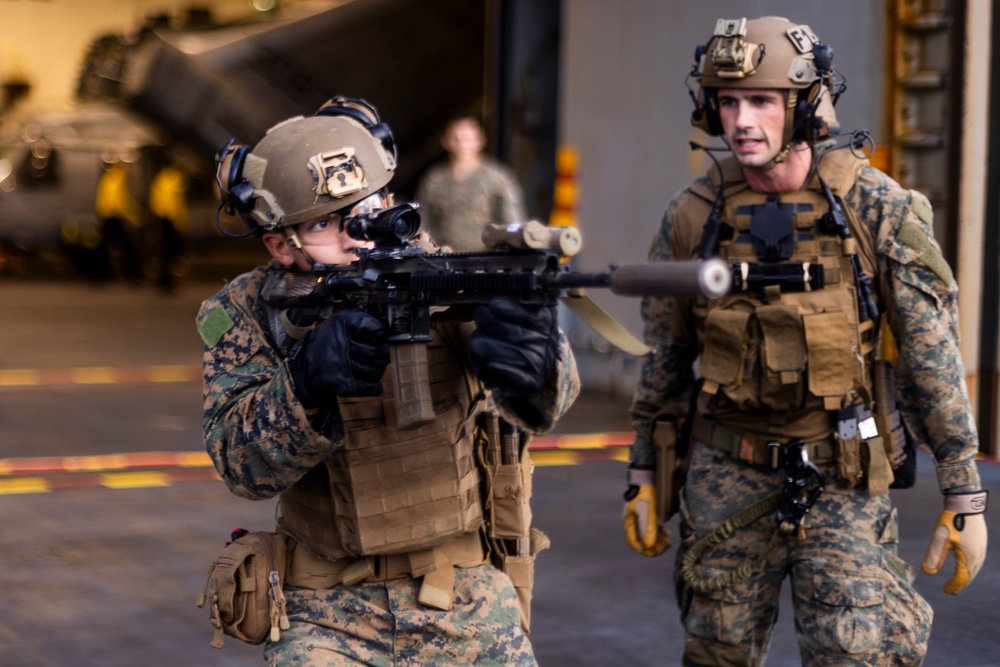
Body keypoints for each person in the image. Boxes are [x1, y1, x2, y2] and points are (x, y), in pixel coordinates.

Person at [621, 16, 988, 667]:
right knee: (715, 652)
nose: (740, 120)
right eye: (727, 101)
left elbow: (933, 357)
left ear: (807, 105)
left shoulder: (879, 211)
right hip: (724, 472)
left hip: (843, 474)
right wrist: (644, 468)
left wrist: (963, 493)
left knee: (856, 653)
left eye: (761, 100)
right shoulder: (692, 215)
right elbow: (667, 356)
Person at [198, 96, 579, 665]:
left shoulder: (447, 278)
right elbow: (239, 464)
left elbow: (548, 404)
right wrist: (304, 387)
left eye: (369, 208)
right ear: (281, 244)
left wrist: (535, 355)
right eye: (328, 223)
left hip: (469, 605)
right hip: (324, 614)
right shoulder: (249, 314)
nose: (359, 234)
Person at [415, 115, 526, 251]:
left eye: (467, 139)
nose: (462, 145)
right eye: (456, 139)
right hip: (443, 260)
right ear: (445, 141)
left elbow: (512, 222)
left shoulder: (497, 178)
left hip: (485, 258)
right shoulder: (434, 179)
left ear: (480, 140)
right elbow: (422, 221)